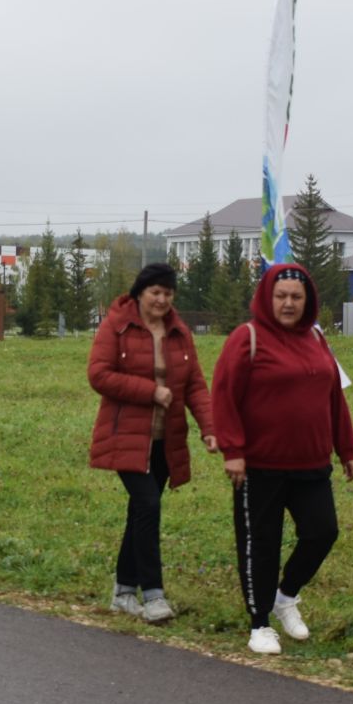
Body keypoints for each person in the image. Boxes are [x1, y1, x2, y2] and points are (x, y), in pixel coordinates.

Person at [209, 262, 353, 655]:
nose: (288, 303)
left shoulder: (316, 339)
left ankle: (285, 595)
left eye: (296, 296)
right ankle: (259, 624)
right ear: (267, 298)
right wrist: (233, 451)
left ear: (307, 300)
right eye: (281, 296)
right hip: (259, 467)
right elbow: (223, 396)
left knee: (322, 531)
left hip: (311, 463)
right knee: (261, 543)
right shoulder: (248, 338)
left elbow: (333, 399)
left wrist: (348, 449)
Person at [87, 262, 216, 623]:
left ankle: (123, 593)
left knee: (140, 511)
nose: (161, 300)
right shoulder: (117, 325)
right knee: (147, 505)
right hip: (125, 436)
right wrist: (151, 392)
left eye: (168, 293)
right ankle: (153, 594)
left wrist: (209, 427)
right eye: (154, 292)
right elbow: (98, 374)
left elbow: (194, 385)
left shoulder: (179, 332)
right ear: (140, 292)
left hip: (165, 440)